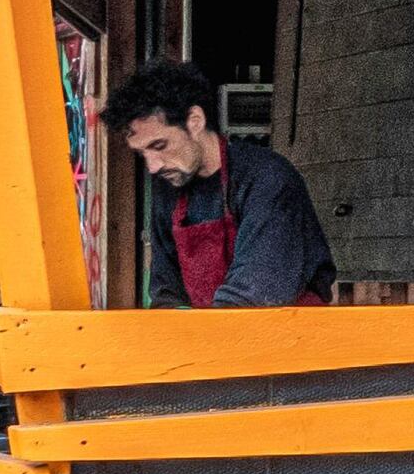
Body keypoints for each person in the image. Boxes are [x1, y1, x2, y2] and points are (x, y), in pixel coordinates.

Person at [112, 61, 335, 310]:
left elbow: (253, 294)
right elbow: (167, 294)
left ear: (195, 120)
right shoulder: (169, 190)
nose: (153, 166)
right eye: (142, 153)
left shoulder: (267, 178)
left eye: (160, 146)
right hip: (214, 340)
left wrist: (201, 341)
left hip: (288, 340)